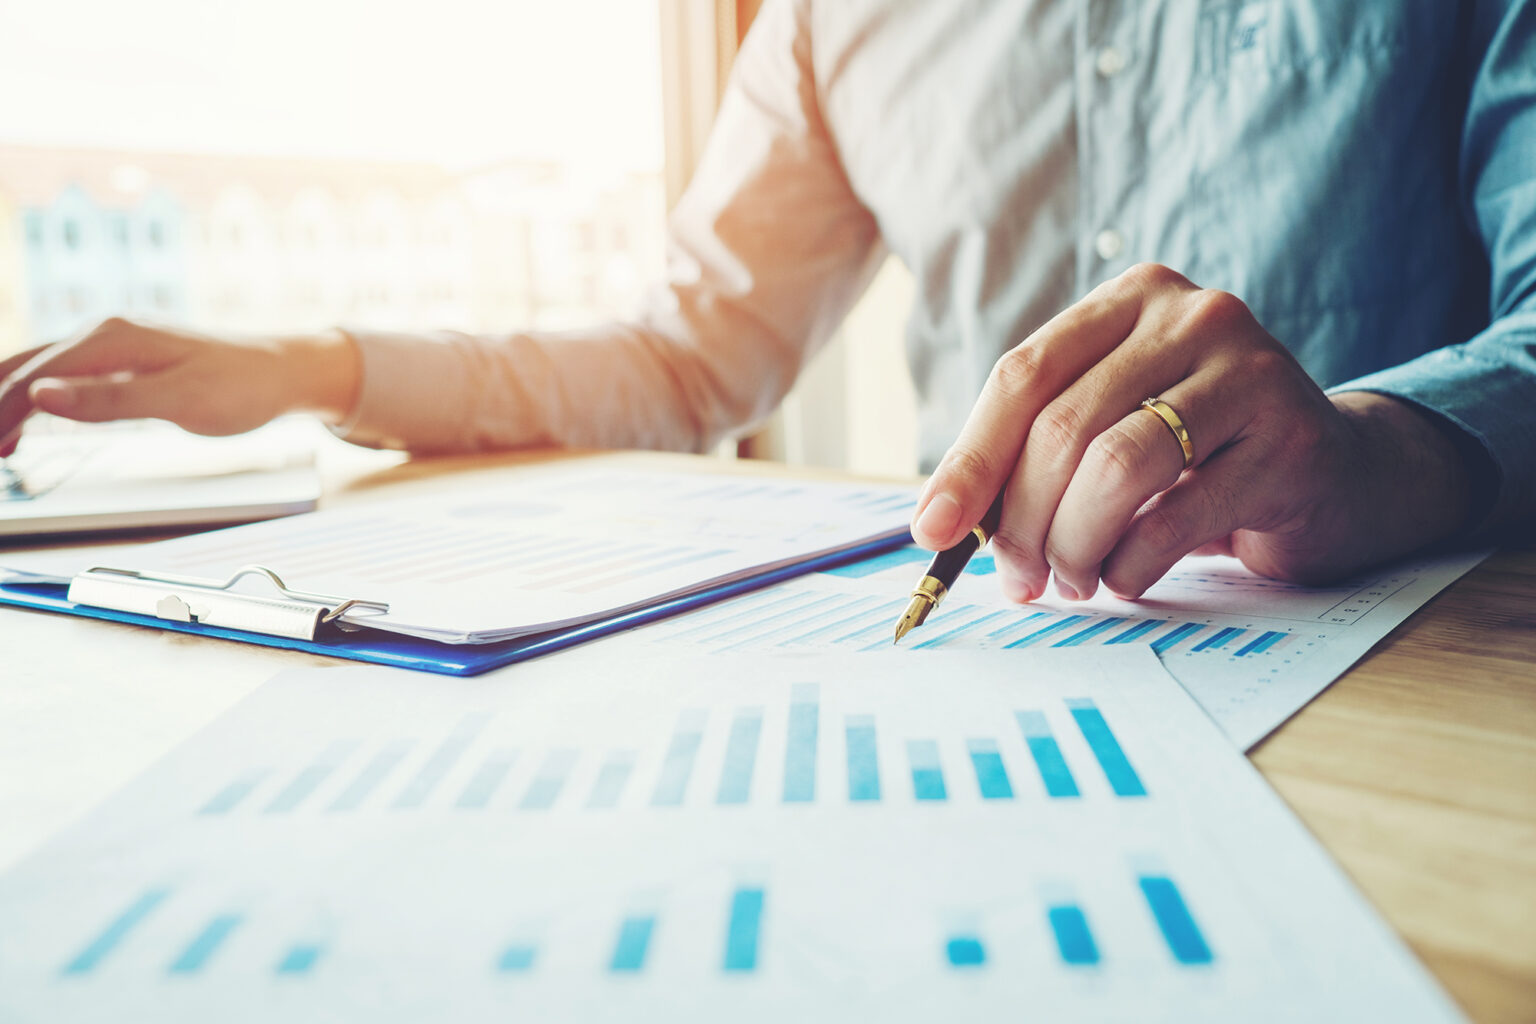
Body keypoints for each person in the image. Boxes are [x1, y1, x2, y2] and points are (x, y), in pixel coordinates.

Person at [1, 1, 1531, 604]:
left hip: (1407, 665)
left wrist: (1379, 447)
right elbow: (687, 357)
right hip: (994, 643)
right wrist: (313, 362)